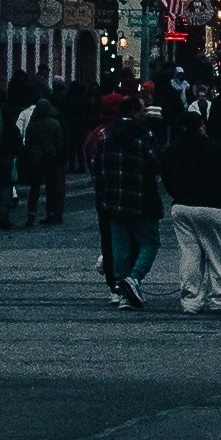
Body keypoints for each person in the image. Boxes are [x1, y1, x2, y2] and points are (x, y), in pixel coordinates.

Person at [158, 95, 221, 315]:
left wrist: (178, 193)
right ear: (201, 127)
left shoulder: (173, 150)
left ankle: (191, 299)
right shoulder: (216, 149)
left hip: (182, 206)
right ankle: (220, 299)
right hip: (213, 206)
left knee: (190, 254)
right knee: (217, 253)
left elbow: (167, 178)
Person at [91, 88, 164, 310]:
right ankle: (134, 279)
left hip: (113, 199)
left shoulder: (106, 135)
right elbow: (157, 163)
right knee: (149, 242)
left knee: (119, 248)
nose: (144, 113)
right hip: (141, 197)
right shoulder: (144, 134)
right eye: (141, 110)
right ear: (133, 112)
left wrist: (104, 193)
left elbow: (97, 167)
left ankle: (121, 292)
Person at [15, 92, 67, 232]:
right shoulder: (54, 123)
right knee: (51, 187)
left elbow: (28, 143)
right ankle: (51, 213)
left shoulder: (33, 125)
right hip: (51, 158)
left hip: (36, 159)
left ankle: (31, 214)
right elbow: (60, 142)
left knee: (35, 188)